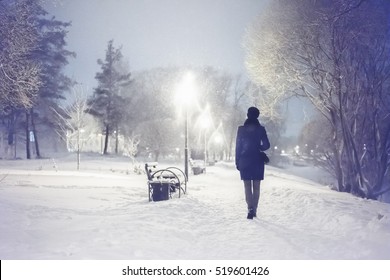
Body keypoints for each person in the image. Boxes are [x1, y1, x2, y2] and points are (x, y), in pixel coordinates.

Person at [235, 107, 270, 219]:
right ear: (257, 116)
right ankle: (254, 209)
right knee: (256, 186)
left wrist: (237, 161)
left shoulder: (241, 129)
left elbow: (238, 147)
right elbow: (267, 145)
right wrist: (259, 147)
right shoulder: (261, 129)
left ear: (247, 114)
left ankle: (250, 208)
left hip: (244, 160)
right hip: (257, 160)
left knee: (247, 186)